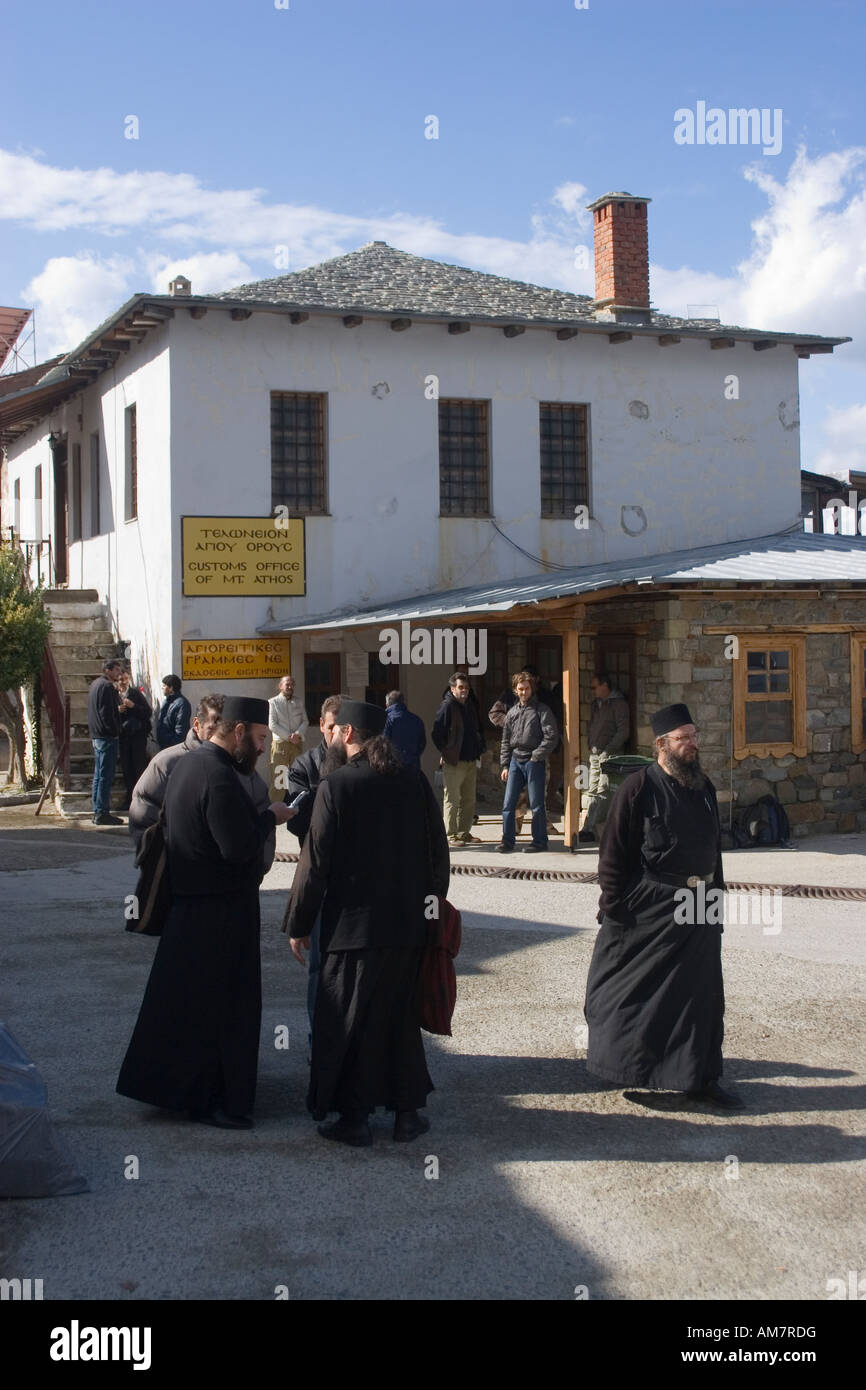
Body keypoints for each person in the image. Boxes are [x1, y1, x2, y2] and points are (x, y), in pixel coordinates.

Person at [117, 696, 294, 1129]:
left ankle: (176, 1090)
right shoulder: (218, 777)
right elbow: (235, 849)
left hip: (190, 912)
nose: (260, 749)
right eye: (257, 739)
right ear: (237, 732)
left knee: (184, 1008)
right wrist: (268, 818)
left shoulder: (189, 767)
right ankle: (215, 1100)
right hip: (220, 915)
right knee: (220, 1011)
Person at [283, 699, 450, 1148]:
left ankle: (354, 1119)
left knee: (348, 1022)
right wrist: (431, 913)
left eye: (338, 732)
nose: (332, 737)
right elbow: (439, 856)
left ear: (351, 734)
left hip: (351, 931)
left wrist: (298, 923)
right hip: (406, 928)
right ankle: (407, 1115)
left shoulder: (336, 786)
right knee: (397, 1020)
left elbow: (314, 866)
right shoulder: (414, 782)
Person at [584, 703, 743, 1109]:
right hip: (652, 909)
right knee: (636, 995)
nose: (692, 744)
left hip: (700, 907)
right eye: (682, 738)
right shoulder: (637, 788)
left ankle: (701, 1078)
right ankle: (634, 1071)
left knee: (702, 998)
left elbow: (715, 851)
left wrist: (717, 900)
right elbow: (613, 855)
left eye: (694, 736)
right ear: (661, 744)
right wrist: (614, 907)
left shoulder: (703, 787)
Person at [127, 695, 276, 876]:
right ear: (197, 725)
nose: (218, 735)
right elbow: (144, 817)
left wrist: (256, 869)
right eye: (213, 727)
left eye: (223, 727)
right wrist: (168, 865)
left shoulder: (243, 769)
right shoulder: (167, 764)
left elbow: (258, 826)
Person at [284, 694, 343, 1036]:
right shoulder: (304, 765)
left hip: (352, 878)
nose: (338, 735)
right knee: (319, 965)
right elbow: (294, 820)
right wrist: (327, 793)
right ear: (321, 726)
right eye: (332, 727)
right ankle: (317, 1038)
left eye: (343, 728)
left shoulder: (359, 762)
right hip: (318, 875)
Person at [497, 671, 558, 854]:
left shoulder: (542, 710)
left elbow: (551, 736)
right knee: (508, 804)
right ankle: (507, 841)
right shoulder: (512, 713)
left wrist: (536, 755)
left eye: (527, 688)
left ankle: (539, 842)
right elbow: (506, 741)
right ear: (516, 690)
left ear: (532, 689)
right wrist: (505, 765)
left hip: (534, 761)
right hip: (515, 760)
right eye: (520, 689)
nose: (524, 692)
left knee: (537, 804)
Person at [432, 672, 485, 848]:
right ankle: (450, 835)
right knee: (452, 799)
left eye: (467, 688)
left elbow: (476, 729)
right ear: (453, 688)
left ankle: (464, 833)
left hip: (470, 760)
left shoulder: (469, 705)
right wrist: (446, 752)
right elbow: (436, 734)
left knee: (469, 800)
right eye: (461, 687)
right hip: (454, 761)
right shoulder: (447, 706)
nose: (464, 691)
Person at [578, 671, 630, 844]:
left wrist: (608, 750)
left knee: (603, 792)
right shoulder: (597, 704)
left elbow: (623, 730)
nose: (593, 690)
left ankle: (592, 828)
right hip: (595, 753)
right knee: (592, 791)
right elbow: (593, 725)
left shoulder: (619, 704)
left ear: (605, 686)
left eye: (595, 687)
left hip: (609, 755)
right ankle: (587, 828)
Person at [87, 659, 124, 825]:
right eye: (116, 670)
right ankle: (102, 812)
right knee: (105, 776)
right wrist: (115, 730)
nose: (119, 673)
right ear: (108, 670)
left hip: (97, 735)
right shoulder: (107, 686)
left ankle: (98, 810)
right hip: (106, 736)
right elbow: (106, 713)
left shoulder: (96, 684)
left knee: (99, 776)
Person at [268, 674, 309, 800]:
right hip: (281, 745)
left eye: (292, 684)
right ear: (280, 686)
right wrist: (288, 737)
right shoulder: (273, 702)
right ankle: (276, 808)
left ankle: (296, 805)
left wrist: (297, 734)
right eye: (287, 684)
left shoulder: (298, 701)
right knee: (279, 779)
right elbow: (272, 724)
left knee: (297, 776)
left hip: (296, 743)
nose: (290, 686)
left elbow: (305, 721)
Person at [117, 671, 152, 812]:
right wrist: (117, 710)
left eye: (125, 679)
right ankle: (129, 800)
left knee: (139, 767)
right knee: (127, 769)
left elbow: (147, 712)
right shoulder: (114, 696)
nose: (123, 681)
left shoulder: (135, 694)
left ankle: (141, 799)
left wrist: (133, 706)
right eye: (120, 679)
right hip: (123, 737)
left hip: (137, 737)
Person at [383, 690, 426, 771]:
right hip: (413, 766)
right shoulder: (416, 720)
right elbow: (422, 744)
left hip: (393, 767)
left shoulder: (387, 719)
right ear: (403, 702)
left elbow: (383, 743)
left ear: (387, 704)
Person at [156, 675, 191, 750]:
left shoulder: (182, 704)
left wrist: (171, 746)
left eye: (164, 685)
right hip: (164, 746)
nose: (162, 688)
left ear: (171, 688)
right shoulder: (167, 701)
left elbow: (181, 731)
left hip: (172, 748)